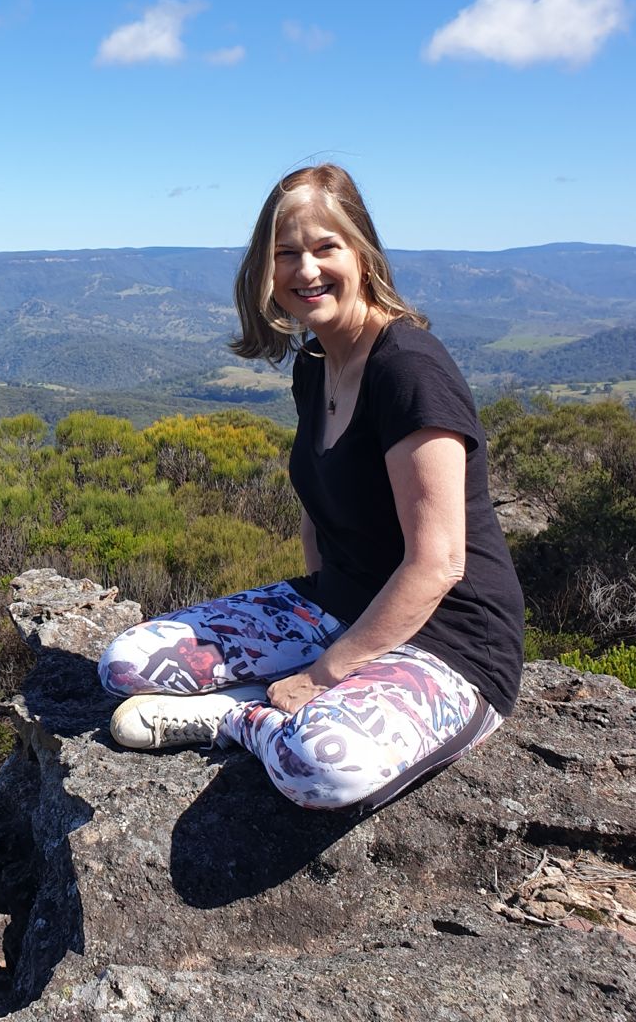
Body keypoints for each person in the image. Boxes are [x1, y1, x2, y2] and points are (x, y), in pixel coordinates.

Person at [100, 164, 524, 811]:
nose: (306, 270)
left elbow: (439, 561)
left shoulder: (409, 371)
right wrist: (315, 631)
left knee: (321, 768)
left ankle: (238, 718)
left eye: (326, 248)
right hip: (338, 606)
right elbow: (319, 507)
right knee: (129, 664)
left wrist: (324, 674)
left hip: (452, 639)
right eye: (286, 253)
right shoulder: (317, 364)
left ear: (362, 252)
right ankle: (275, 695)